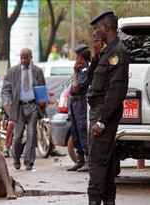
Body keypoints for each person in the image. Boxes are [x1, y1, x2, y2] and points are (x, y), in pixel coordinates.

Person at [86, 11, 129, 205]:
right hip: (98, 112)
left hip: (103, 114)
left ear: (107, 27)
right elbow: (91, 82)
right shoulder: (106, 52)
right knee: (106, 162)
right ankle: (108, 200)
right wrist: (95, 57)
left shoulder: (117, 52)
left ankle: (94, 201)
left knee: (96, 162)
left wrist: (102, 121)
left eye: (97, 28)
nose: (95, 33)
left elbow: (116, 90)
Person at [1, 48, 47, 171]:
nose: (23, 60)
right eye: (21, 58)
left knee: (32, 135)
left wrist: (42, 101)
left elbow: (42, 88)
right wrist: (6, 102)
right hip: (18, 107)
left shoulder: (37, 71)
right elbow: (6, 89)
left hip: (32, 106)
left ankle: (29, 162)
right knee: (17, 136)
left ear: (31, 58)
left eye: (26, 58)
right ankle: (16, 158)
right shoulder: (12, 71)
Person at [67, 44, 91, 172]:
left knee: (82, 129)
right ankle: (80, 159)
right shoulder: (81, 70)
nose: (76, 60)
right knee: (75, 131)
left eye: (78, 57)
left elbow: (76, 88)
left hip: (81, 102)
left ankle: (88, 160)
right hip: (74, 103)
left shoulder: (85, 70)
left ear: (82, 58)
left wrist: (75, 72)